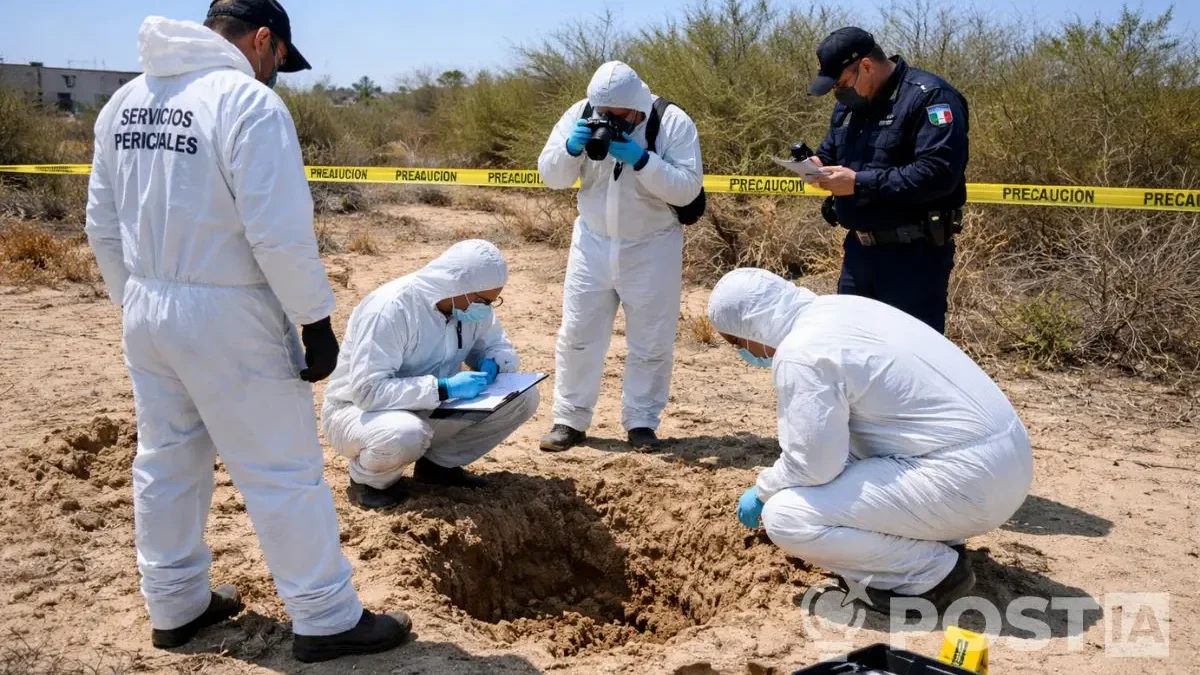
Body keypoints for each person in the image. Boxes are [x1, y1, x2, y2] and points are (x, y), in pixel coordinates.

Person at [83, 1, 410, 662]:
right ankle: (325, 617)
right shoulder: (247, 103)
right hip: (230, 312)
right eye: (281, 60)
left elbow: (100, 222)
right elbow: (278, 233)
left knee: (166, 460)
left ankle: (175, 607)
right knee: (283, 469)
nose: (276, 74)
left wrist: (137, 303)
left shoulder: (123, 101)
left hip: (147, 307)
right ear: (264, 40)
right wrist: (315, 320)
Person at [706, 268, 1032, 613]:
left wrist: (762, 491)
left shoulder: (801, 352)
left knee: (786, 517)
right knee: (853, 454)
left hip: (968, 483)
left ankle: (931, 573)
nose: (743, 352)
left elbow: (813, 464)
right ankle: (935, 541)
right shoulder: (843, 309)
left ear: (751, 327)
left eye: (737, 342)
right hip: (1007, 463)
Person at [536, 60, 704, 453]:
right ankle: (570, 419)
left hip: (652, 245)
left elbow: (687, 190)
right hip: (591, 242)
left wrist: (642, 160)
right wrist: (570, 149)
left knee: (651, 341)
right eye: (602, 114)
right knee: (577, 335)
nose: (608, 122)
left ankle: (642, 422)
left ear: (636, 108)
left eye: (617, 117)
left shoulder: (673, 122)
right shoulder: (580, 113)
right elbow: (551, 176)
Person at [321, 240, 539, 510]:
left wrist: (493, 361)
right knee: (403, 433)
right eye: (483, 301)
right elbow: (368, 392)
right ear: (458, 286)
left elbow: (496, 344)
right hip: (359, 414)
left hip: (431, 406)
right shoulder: (391, 309)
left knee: (523, 397)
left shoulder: (471, 306)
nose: (486, 309)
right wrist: (443, 388)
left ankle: (438, 467)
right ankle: (370, 481)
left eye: (493, 301)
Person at [804, 27, 969, 335]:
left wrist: (858, 183)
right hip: (858, 253)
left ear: (866, 66)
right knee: (851, 352)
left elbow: (939, 174)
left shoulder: (930, 97)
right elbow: (830, 152)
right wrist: (816, 165)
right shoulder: (849, 107)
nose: (839, 93)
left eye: (841, 83)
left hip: (914, 258)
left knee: (910, 360)